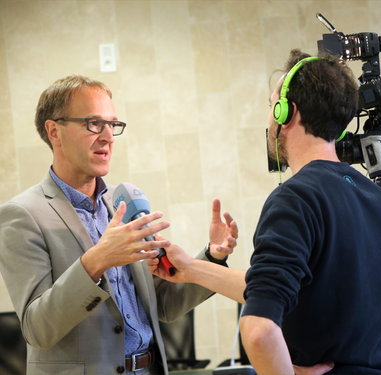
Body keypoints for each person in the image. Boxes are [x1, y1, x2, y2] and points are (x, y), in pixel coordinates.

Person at [149, 50, 381, 375]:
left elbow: (258, 331)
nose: (270, 118)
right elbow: (286, 291)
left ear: (287, 112)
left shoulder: (296, 198)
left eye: (272, 106)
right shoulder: (380, 200)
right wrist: (191, 268)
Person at [0, 75, 238, 375]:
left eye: (113, 125)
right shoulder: (21, 215)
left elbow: (163, 304)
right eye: (94, 124)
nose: (108, 136)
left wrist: (212, 257)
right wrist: (96, 261)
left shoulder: (123, 203)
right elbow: (37, 329)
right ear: (54, 131)